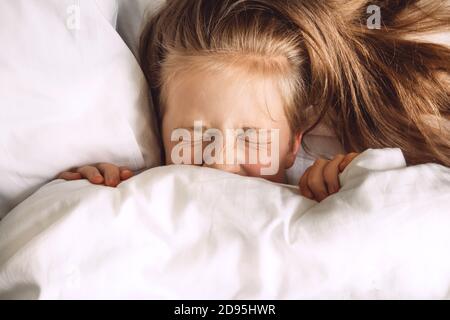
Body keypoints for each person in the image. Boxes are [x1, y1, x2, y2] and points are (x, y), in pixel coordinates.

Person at [59, 0, 450, 202]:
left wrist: (355, 180)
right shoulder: (143, 191)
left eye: (250, 135)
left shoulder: (316, 195)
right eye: (195, 135)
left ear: (292, 147)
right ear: (159, 133)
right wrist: (103, 181)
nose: (220, 162)